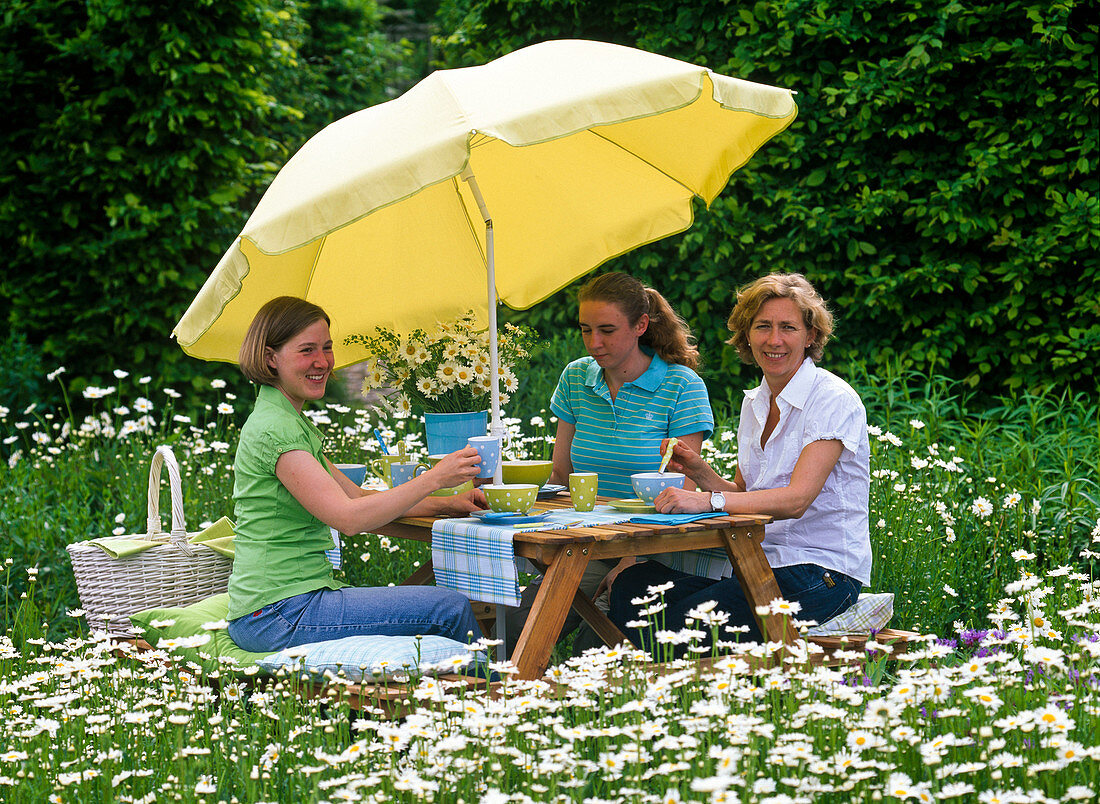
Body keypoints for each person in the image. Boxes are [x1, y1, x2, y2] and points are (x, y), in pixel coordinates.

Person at [608, 273, 871, 656]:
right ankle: (684, 681)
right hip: (756, 560)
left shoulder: (832, 399)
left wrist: (706, 501)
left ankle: (693, 695)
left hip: (822, 574)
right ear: (747, 334)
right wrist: (699, 472)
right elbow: (746, 496)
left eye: (788, 328)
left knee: (686, 625)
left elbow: (795, 500)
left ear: (810, 336)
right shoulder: (755, 403)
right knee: (632, 587)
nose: (774, 340)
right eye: (762, 326)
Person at [226, 296, 488, 654]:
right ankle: (490, 701)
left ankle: (461, 697)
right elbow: (349, 520)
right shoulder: (276, 430)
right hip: (278, 613)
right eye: (307, 350)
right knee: (449, 608)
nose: (322, 362)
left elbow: (356, 499)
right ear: (270, 358)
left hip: (278, 608)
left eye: (327, 348)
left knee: (446, 607)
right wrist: (435, 477)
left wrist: (449, 504)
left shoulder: (285, 419)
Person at [505, 272, 714, 654]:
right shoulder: (575, 378)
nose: (594, 343)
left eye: (606, 330)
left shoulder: (681, 386)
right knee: (517, 627)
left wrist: (632, 560)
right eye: (586, 330)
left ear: (640, 326)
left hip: (652, 546)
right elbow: (560, 474)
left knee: (598, 640)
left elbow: (679, 493)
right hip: (583, 540)